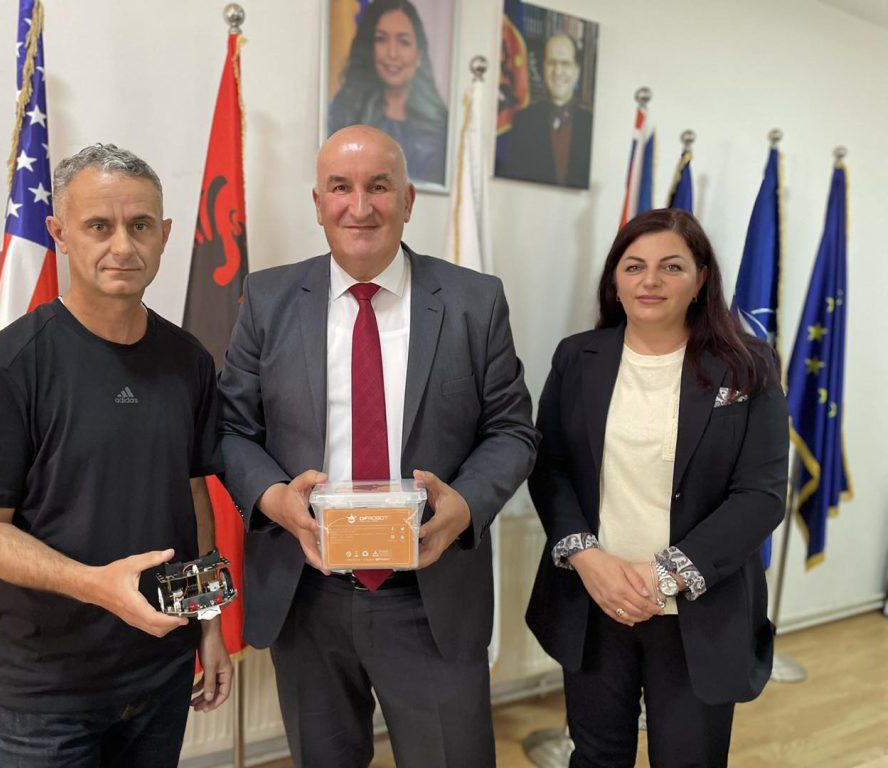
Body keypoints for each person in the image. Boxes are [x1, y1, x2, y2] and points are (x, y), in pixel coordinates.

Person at [218, 124, 538, 768]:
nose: (359, 207)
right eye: (340, 187)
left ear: (409, 200)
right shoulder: (268, 299)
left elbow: (512, 430)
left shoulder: (474, 302)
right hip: (307, 593)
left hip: (430, 595)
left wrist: (464, 505)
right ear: (317, 203)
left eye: (379, 187)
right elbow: (230, 429)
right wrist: (276, 500)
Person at [0, 144, 232, 767]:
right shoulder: (9, 365)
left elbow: (193, 493)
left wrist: (209, 622)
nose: (123, 246)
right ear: (60, 233)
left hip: (162, 675)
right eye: (99, 225)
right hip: (48, 693)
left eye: (140, 225)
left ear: (165, 235)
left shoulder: (189, 361)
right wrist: (94, 585)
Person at [525, 209, 789, 767]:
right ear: (614, 280)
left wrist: (664, 574)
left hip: (700, 610)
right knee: (596, 757)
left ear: (700, 279)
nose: (650, 281)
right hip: (596, 602)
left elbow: (761, 494)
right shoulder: (577, 357)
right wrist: (587, 558)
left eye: (671, 266)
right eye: (634, 266)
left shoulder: (748, 366)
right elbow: (549, 467)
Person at [328, 0, 449, 186]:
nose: (392, 53)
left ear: (419, 55)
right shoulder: (342, 113)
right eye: (381, 39)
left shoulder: (441, 126)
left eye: (403, 42)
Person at [495, 33, 593, 188]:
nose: (558, 71)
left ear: (577, 71)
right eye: (551, 63)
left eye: (565, 64)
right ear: (543, 68)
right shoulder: (523, 122)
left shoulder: (592, 126)